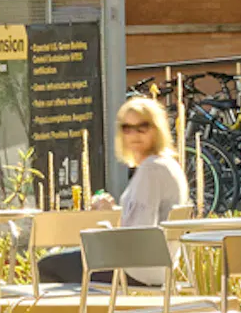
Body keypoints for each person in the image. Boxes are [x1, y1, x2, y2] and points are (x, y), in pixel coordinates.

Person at [37, 92, 192, 289]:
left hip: (136, 270)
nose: (134, 135)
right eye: (127, 128)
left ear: (156, 129)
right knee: (68, 260)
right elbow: (145, 221)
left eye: (142, 127)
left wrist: (106, 222)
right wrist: (116, 212)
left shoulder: (151, 169)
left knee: (47, 266)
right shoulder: (167, 165)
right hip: (157, 269)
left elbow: (138, 234)